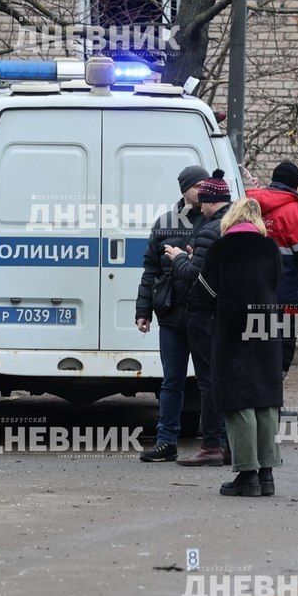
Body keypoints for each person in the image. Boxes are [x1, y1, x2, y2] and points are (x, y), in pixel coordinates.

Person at [199, 198, 284, 497]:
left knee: (237, 399)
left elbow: (205, 292)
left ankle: (247, 474)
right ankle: (267, 474)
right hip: (266, 328)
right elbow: (277, 283)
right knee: (265, 397)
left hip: (232, 330)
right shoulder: (270, 248)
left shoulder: (221, 249)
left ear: (231, 219)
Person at [135, 165, 205, 462]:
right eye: (197, 185)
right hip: (172, 315)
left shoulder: (215, 221)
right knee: (172, 381)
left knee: (208, 381)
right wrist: (143, 311)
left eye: (206, 184)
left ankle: (219, 442)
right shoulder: (165, 223)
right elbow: (150, 269)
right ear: (184, 189)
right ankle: (166, 441)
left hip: (203, 314)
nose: (203, 189)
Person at [166, 171, 231, 466]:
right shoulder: (237, 224)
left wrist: (179, 258)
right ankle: (232, 445)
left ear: (209, 202)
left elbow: (195, 277)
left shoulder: (210, 229)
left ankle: (211, 446)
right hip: (231, 315)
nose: (200, 209)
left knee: (208, 383)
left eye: (203, 202)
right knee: (227, 380)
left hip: (206, 317)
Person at [246, 162, 298, 374]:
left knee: (256, 341)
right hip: (284, 291)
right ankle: (274, 398)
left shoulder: (249, 204)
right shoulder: (295, 211)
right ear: (295, 185)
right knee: (283, 342)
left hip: (251, 289)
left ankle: (256, 398)